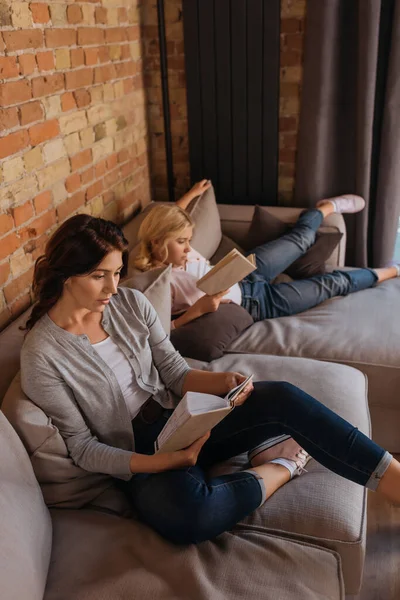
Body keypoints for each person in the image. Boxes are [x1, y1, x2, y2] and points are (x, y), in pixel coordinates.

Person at [21, 214, 400, 546]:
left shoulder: (131, 304)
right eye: (98, 276)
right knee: (190, 516)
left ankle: (395, 482)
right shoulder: (42, 354)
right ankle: (280, 467)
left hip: (187, 418)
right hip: (140, 455)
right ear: (65, 275)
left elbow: (175, 373)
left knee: (282, 396)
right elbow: (84, 449)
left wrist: (224, 384)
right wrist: (162, 463)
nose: (113, 288)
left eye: (117, 272)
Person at [134, 180, 400, 329]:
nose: (190, 248)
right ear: (158, 243)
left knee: (301, 238)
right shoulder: (156, 284)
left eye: (189, 240)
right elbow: (160, 332)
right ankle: (392, 270)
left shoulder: (162, 241)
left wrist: (191, 194)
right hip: (258, 304)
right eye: (182, 242)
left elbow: (168, 221)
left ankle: (325, 208)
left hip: (246, 270)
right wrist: (195, 312)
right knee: (332, 284)